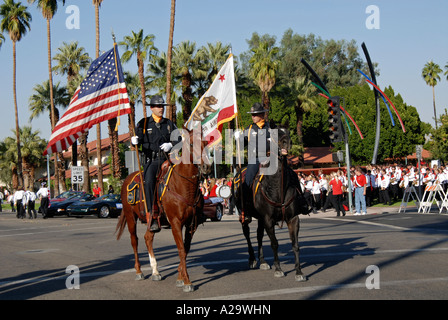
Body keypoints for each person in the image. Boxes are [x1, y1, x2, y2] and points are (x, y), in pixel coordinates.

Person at [131, 95, 177, 232]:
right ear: (151, 108)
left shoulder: (169, 124)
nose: (161, 109)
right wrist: (134, 141)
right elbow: (137, 140)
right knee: (149, 180)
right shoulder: (144, 123)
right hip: (152, 160)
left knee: (185, 175)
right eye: (158, 106)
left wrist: (171, 144)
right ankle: (152, 215)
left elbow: (180, 140)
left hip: (167, 159)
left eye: (162, 106)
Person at [239, 102, 272, 188]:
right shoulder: (249, 129)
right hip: (255, 160)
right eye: (252, 114)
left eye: (255, 114)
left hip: (270, 158)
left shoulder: (270, 128)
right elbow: (241, 146)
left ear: (262, 114)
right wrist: (238, 139)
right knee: (248, 181)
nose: (253, 116)